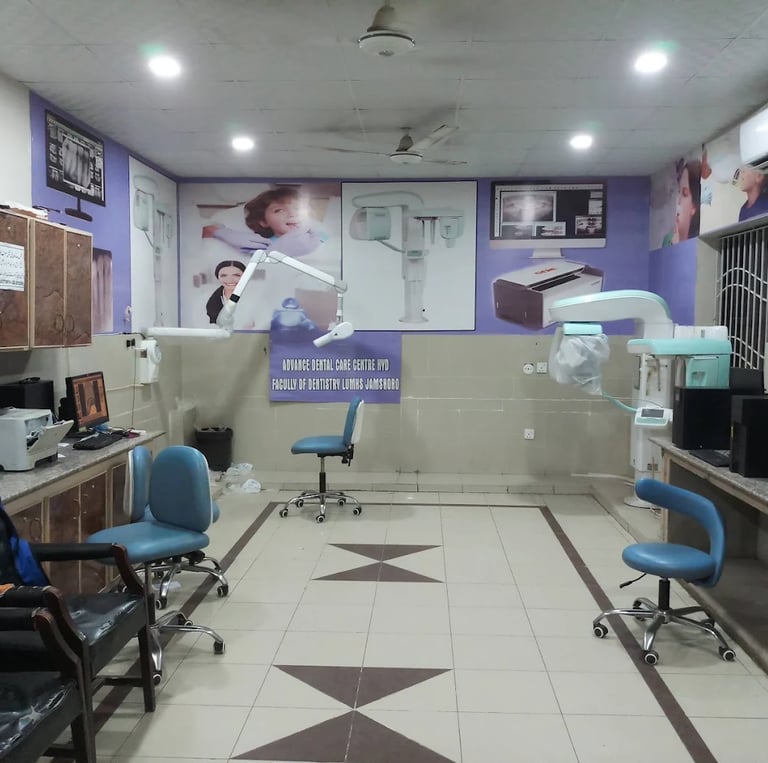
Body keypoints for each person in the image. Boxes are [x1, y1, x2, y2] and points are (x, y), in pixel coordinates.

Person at [202, 187, 326, 258]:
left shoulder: (321, 237)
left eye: (297, 208)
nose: (291, 214)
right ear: (263, 222)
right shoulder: (260, 245)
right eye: (279, 210)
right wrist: (223, 233)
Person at [664, 160, 701, 245]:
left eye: (684, 194)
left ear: (693, 207)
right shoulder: (667, 239)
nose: (678, 200)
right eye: (678, 191)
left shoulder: (698, 242)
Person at [205, 260, 246, 324]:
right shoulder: (209, 299)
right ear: (218, 277)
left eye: (236, 275)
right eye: (224, 275)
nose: (230, 280)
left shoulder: (254, 298)